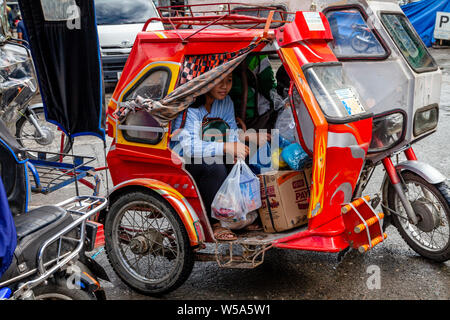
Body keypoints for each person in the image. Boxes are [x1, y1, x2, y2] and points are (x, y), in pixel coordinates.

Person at [171, 72, 269, 240]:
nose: (225, 87)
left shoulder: (225, 102)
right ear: (207, 81)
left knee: (241, 162)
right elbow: (188, 146)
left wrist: (238, 145)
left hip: (213, 151)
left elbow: (230, 131)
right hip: (183, 162)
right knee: (214, 167)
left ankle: (239, 215)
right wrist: (226, 147)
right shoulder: (191, 107)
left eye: (229, 81)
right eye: (219, 82)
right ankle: (215, 223)